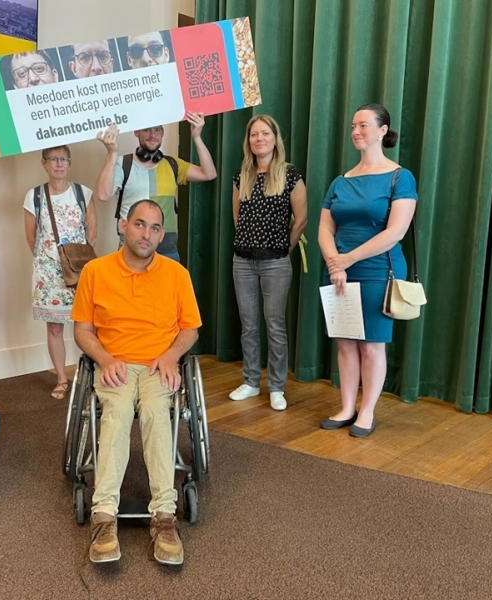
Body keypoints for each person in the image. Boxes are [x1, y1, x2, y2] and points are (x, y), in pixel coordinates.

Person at [71, 200, 201, 566]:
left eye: (155, 228)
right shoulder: (95, 271)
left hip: (159, 365)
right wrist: (105, 359)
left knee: (158, 412)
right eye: (140, 224)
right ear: (124, 226)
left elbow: (190, 329)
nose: (147, 234)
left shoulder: (176, 274)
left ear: (161, 236)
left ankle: (164, 516)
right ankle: (103, 516)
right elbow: (82, 330)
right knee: (116, 412)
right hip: (115, 364)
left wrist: (171, 356)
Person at [317, 103, 418, 437]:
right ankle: (347, 407)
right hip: (338, 272)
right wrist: (335, 262)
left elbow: (396, 232)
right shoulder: (340, 182)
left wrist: (347, 260)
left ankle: (367, 412)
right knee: (345, 344)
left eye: (363, 125)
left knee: (372, 345)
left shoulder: (400, 177)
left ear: (382, 131)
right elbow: (324, 229)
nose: (356, 132)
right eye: (353, 126)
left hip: (378, 271)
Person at [227, 115, 307, 411]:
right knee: (248, 325)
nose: (259, 139)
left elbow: (301, 219)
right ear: (248, 141)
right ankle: (250, 381)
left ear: (275, 139)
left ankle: (276, 387)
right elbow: (237, 217)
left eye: (264, 133)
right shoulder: (242, 176)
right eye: (253, 134)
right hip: (243, 261)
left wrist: (284, 248)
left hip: (276, 262)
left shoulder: (290, 175)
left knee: (275, 325)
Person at [23, 145, 97, 400]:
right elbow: (31, 237)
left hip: (80, 269)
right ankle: (62, 379)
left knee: (87, 325)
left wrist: (76, 260)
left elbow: (92, 233)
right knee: (55, 328)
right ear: (44, 163)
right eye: (53, 159)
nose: (59, 164)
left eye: (63, 159)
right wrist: (51, 260)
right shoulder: (34, 196)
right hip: (49, 272)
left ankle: (93, 376)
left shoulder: (83, 193)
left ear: (70, 163)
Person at [94, 115, 217, 261]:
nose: (153, 135)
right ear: (136, 132)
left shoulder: (172, 164)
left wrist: (196, 137)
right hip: (132, 248)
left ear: (162, 133)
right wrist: (112, 153)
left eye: (157, 130)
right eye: (147, 130)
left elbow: (209, 173)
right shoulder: (123, 163)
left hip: (167, 249)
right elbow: (103, 195)